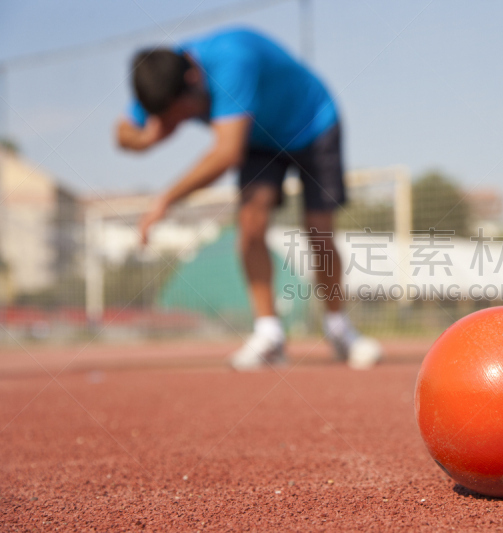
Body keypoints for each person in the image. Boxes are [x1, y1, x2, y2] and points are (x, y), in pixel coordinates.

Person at [116, 27, 382, 370]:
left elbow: (226, 152)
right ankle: (269, 335)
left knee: (318, 231)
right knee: (250, 224)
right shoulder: (161, 81)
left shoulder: (231, 60)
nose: (179, 123)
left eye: (179, 113)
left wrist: (165, 200)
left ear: (194, 77)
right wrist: (143, 140)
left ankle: (339, 329)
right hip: (260, 140)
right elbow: (122, 131)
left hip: (313, 123)